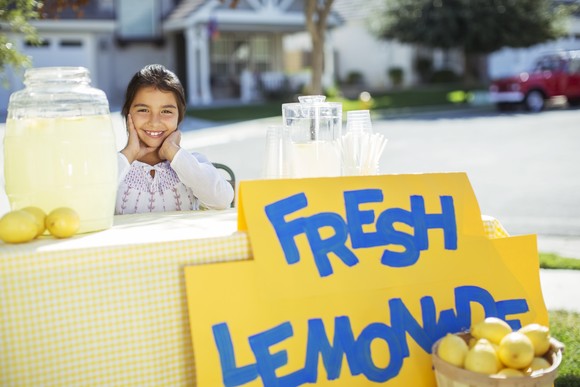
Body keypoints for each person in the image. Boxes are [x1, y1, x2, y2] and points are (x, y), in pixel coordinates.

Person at [116, 64, 234, 214]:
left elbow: (223, 200)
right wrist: (129, 153)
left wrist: (173, 151)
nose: (154, 121)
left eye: (166, 111)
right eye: (143, 110)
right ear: (128, 114)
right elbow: (87, 203)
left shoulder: (192, 163)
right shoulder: (115, 167)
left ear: (179, 116)